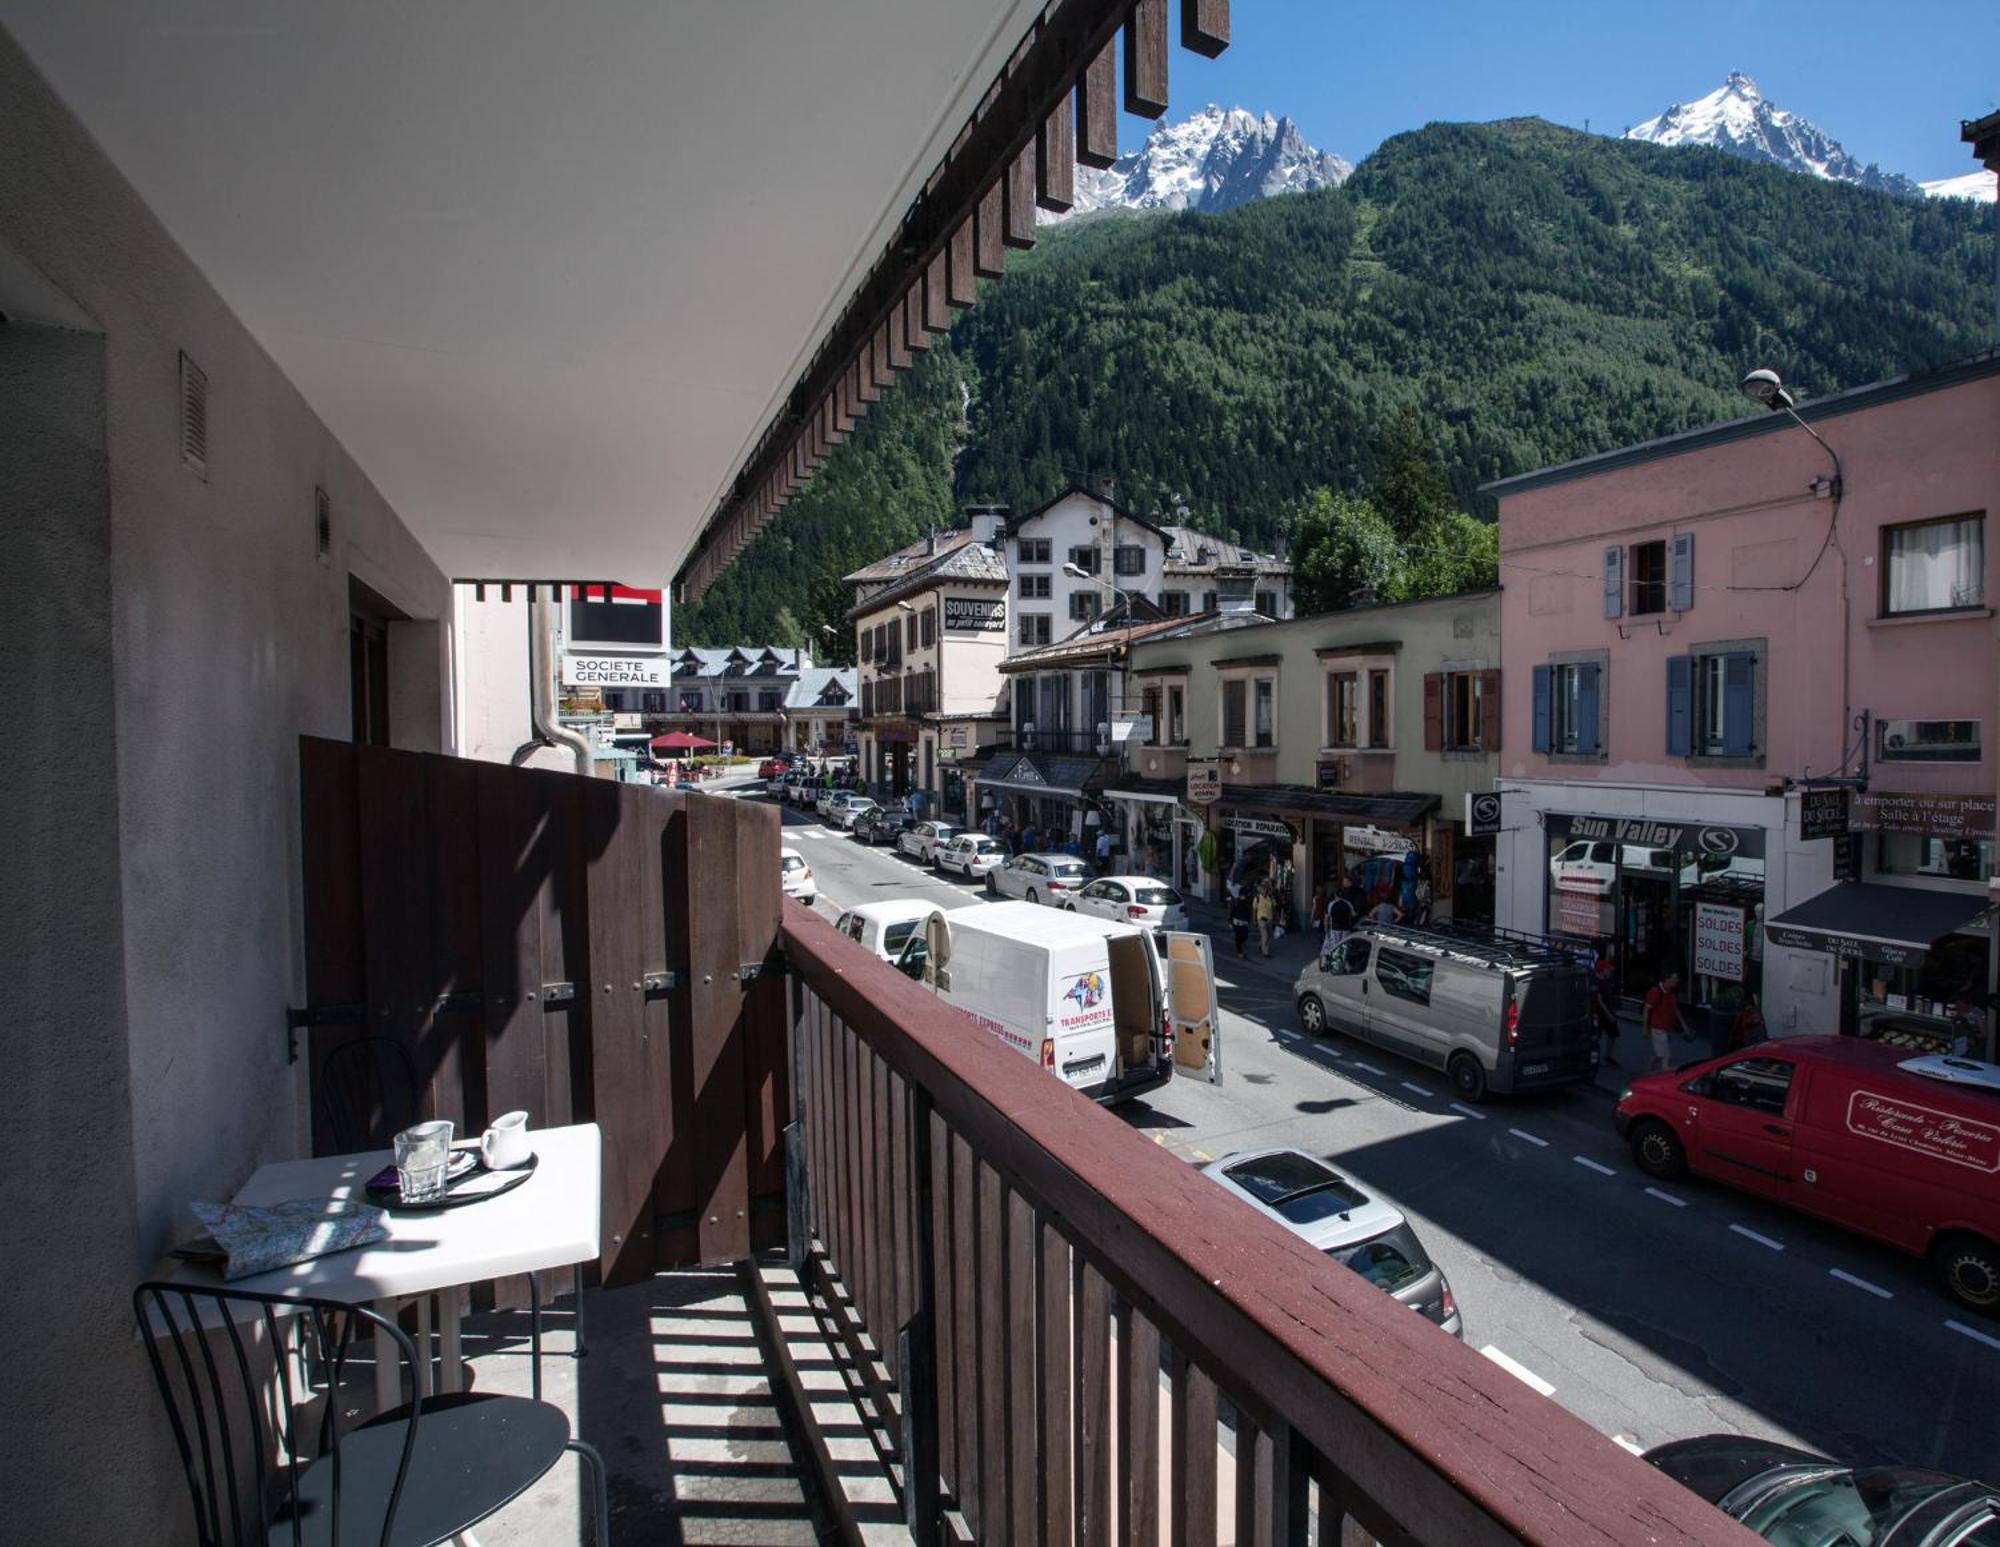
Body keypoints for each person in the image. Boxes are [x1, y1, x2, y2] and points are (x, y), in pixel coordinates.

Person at [1642, 970, 1691, 1073]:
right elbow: (1646, 1009)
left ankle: (1648, 1073)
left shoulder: (1671, 991)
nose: (1677, 980)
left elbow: (1675, 1008)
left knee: (1658, 1053)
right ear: (1667, 979)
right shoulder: (1656, 991)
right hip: (1658, 1028)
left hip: (1666, 1028)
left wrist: (1684, 1025)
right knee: (1665, 1061)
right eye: (1675, 978)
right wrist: (1645, 1028)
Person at [1591, 953, 1621, 1066]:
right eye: (1607, 969)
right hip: (1599, 1013)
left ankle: (1609, 1056)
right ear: (1602, 970)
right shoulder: (1596, 981)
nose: (1610, 971)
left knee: (1613, 1034)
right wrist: (1608, 1014)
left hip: (1608, 1010)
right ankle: (1594, 1056)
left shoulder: (1607, 980)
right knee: (1596, 1036)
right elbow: (1599, 1000)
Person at [1324, 881, 1358, 954]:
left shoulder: (1331, 904)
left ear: (1335, 895)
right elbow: (1354, 914)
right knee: (1344, 947)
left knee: (1334, 947)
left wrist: (1326, 929)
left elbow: (1326, 918)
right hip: (1346, 929)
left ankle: (1334, 960)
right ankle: (1342, 961)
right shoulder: (1348, 903)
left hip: (1335, 929)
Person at [1228, 889, 1253, 958]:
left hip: (1244, 923)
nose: (1245, 897)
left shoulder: (1247, 902)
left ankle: (1241, 947)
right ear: (1240, 895)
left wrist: (1249, 921)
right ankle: (1240, 952)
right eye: (1244, 895)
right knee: (1238, 938)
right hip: (1237, 923)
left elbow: (1249, 912)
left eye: (1245, 895)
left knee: (1245, 936)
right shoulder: (1236, 902)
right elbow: (1232, 912)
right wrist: (1230, 922)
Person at [1254, 883, 1276, 957]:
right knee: (1265, 935)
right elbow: (1254, 909)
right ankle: (1265, 952)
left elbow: (1274, 907)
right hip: (1261, 919)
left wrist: (1276, 916)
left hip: (1269, 919)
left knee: (1269, 935)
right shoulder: (1257, 898)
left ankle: (1261, 945)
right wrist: (1254, 920)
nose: (1265, 891)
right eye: (1263, 890)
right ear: (1261, 890)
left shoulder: (1270, 897)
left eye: (1266, 890)